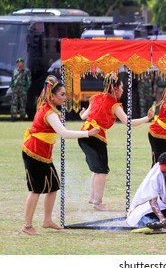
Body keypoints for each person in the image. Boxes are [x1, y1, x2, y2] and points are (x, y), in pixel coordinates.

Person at [21, 75, 100, 235]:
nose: (65, 97)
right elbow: (63, 133)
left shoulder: (48, 108)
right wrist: (87, 133)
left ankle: (47, 220)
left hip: (42, 153)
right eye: (62, 94)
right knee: (36, 190)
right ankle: (27, 226)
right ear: (52, 96)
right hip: (35, 153)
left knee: (53, 186)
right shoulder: (49, 112)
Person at [78, 72, 154, 211]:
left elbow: (84, 116)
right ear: (116, 89)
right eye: (122, 88)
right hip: (96, 136)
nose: (123, 90)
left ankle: (93, 198)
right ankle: (97, 202)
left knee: (96, 169)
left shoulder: (95, 98)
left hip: (83, 134)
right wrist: (146, 118)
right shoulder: (114, 105)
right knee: (101, 170)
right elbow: (128, 122)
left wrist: (82, 112)